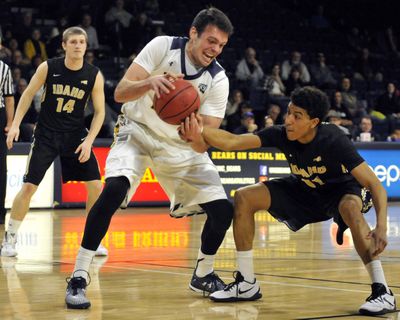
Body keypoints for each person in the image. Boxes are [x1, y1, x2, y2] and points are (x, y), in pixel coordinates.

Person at [64, 7, 234, 309]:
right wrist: (150, 83)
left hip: (178, 146)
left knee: (223, 210)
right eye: (211, 40)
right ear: (193, 33)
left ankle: (203, 274)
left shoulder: (218, 80)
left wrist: (193, 135)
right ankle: (78, 275)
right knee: (114, 189)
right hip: (138, 130)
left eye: (221, 45)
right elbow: (120, 93)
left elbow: (202, 144)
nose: (215, 49)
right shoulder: (163, 46)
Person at [180, 86, 396, 316]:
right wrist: (199, 129)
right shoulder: (281, 133)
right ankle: (246, 283)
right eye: (289, 113)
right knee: (244, 196)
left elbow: (375, 186)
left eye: (297, 116)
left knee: (349, 207)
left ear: (313, 122)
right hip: (305, 189)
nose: (289, 120)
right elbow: (233, 141)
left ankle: (382, 292)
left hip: (342, 191)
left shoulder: (333, 138)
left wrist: (381, 226)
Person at [0, 26, 108, 257]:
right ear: (64, 45)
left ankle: (93, 239)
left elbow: (99, 112)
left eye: (82, 42)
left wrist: (89, 141)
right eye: (74, 42)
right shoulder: (48, 67)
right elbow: (28, 94)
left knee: (96, 186)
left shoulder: (94, 75)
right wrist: (16, 124)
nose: (78, 46)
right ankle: (9, 239)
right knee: (29, 187)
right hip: (46, 135)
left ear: (86, 46)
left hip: (75, 136)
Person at [0, 60, 15, 224]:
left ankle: (0, 214)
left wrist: (10, 123)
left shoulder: (4, 68)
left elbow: (9, 97)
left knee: (0, 167)